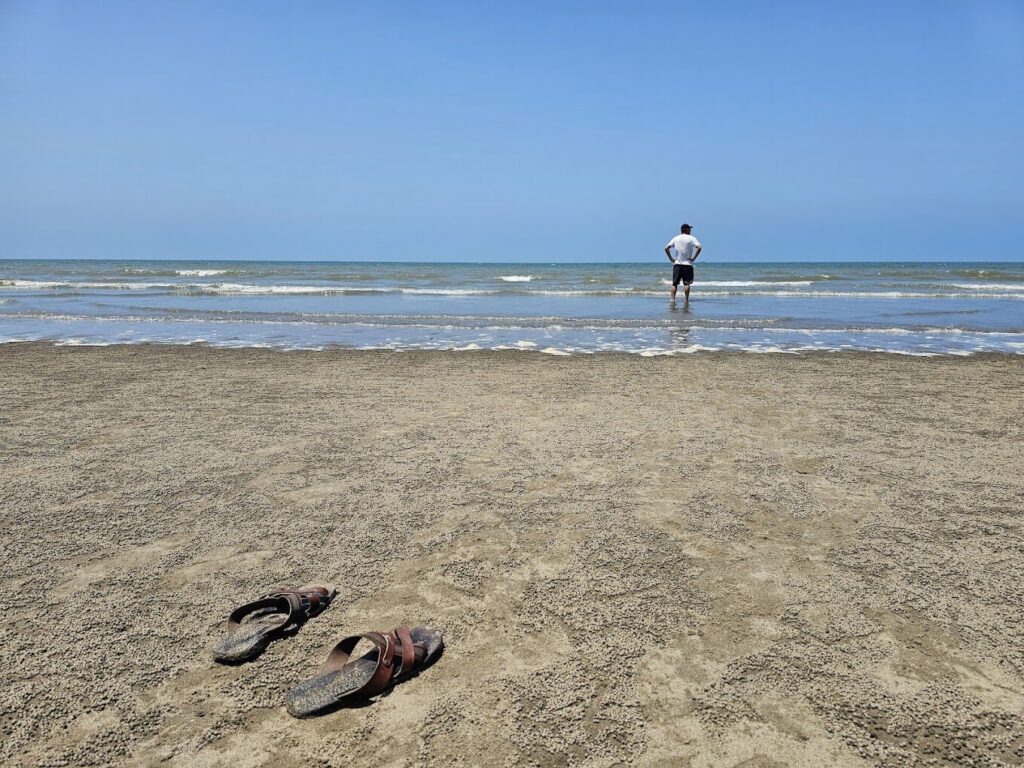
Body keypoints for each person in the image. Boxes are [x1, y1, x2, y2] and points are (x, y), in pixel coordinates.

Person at [664, 224, 702, 301]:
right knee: (687, 283)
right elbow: (699, 247)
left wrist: (671, 259)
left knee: (674, 284)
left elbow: (666, 248)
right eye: (689, 229)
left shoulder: (676, 238)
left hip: (677, 264)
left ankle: (672, 299)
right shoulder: (692, 238)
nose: (690, 231)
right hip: (688, 264)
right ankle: (686, 300)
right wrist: (693, 258)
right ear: (686, 230)